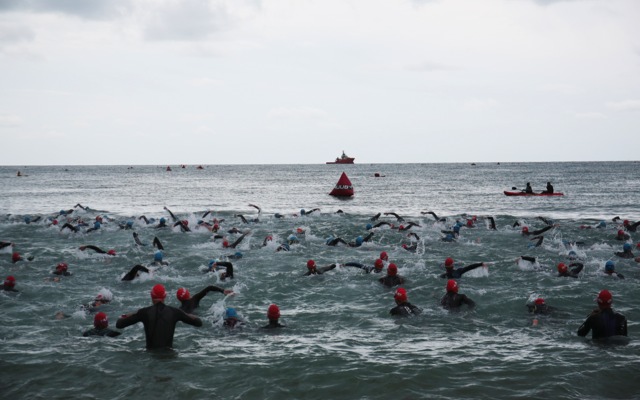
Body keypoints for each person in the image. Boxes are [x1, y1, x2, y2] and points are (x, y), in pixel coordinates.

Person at [116, 284, 202, 349]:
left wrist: (131, 314)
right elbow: (199, 323)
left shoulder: (144, 312)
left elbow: (119, 324)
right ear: (165, 296)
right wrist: (186, 314)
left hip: (150, 357)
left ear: (151, 296)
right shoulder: (175, 312)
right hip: (169, 356)